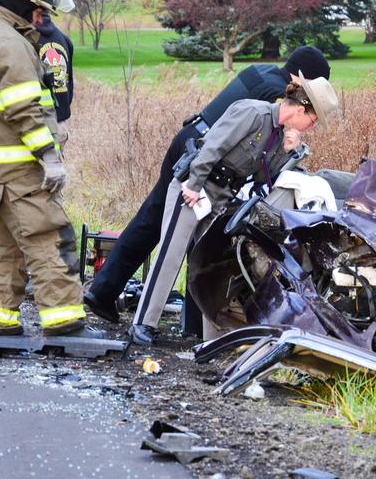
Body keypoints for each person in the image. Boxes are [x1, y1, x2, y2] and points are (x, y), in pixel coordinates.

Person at [84, 46, 331, 323]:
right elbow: (262, 149)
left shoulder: (261, 72)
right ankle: (189, 322)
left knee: (152, 219)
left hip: (191, 137)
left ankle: (103, 290)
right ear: (299, 79)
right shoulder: (274, 95)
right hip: (203, 157)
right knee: (196, 241)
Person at [128, 74, 340, 347]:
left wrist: (288, 151)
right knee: (171, 252)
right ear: (300, 110)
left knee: (209, 263)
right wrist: (193, 184)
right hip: (197, 186)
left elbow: (265, 179)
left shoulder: (278, 135)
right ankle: (143, 324)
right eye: (312, 121)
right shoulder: (252, 112)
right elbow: (213, 146)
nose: (310, 128)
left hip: (221, 198)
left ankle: (212, 338)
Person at [0, 0, 96, 337]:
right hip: (18, 172)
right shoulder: (10, 44)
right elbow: (23, 110)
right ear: (20, 2)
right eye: (38, 10)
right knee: (49, 240)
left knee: (2, 249)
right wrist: (49, 159)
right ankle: (64, 321)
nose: (41, 19)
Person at [36, 12, 73, 147]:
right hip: (60, 124)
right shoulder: (63, 38)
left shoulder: (26, 40)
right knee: (56, 166)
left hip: (38, 125)